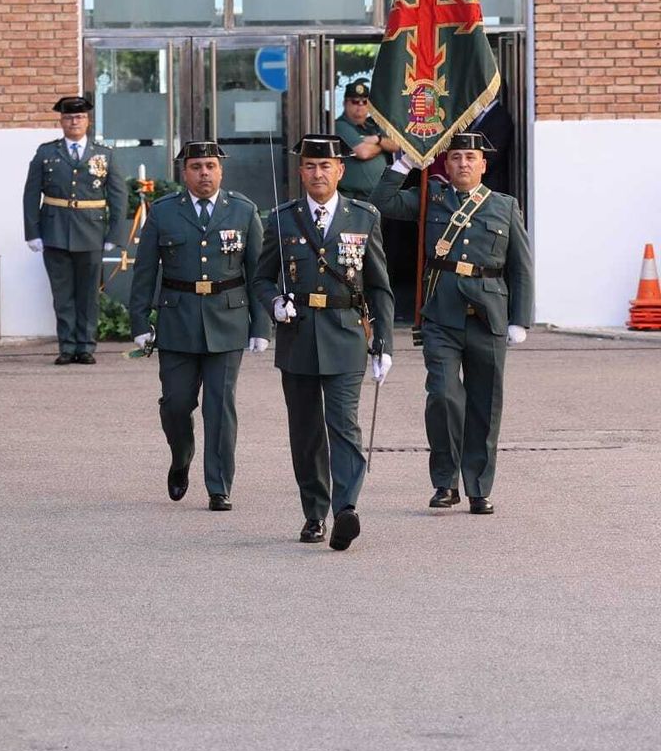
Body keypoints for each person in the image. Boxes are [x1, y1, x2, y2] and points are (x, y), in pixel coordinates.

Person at [371, 133, 533, 514]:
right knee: (443, 397)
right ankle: (445, 482)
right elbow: (382, 203)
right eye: (456, 157)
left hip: (487, 315)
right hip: (440, 313)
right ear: (446, 163)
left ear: (483, 165)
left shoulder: (504, 206)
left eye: (470, 157)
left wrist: (519, 318)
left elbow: (520, 266)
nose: (462, 164)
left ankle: (478, 486)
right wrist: (404, 164)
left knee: (484, 403)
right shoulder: (432, 197)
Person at [256, 135, 394, 550]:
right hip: (298, 337)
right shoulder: (282, 218)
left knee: (344, 426)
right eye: (311, 167)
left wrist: (383, 344)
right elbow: (262, 276)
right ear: (301, 173)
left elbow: (379, 287)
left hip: (346, 334)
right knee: (306, 432)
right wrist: (273, 304)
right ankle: (314, 513)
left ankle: (345, 508)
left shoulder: (363, 217)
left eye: (326, 166)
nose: (318, 173)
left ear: (340, 171)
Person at [127, 141, 269, 511]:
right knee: (176, 404)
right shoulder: (163, 212)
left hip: (228, 320)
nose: (204, 173)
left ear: (221, 171)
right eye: (196, 167)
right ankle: (181, 454)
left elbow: (258, 273)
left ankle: (218, 486)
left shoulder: (242, 210)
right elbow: (144, 271)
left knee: (220, 407)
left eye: (210, 166)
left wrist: (261, 326)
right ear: (184, 172)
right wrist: (140, 320)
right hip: (178, 320)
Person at [22, 96, 128, 365]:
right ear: (61, 121)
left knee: (89, 295)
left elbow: (118, 196)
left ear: (87, 121)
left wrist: (114, 235)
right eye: (69, 117)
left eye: (79, 117)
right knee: (63, 295)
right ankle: (67, 347)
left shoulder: (104, 154)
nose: (74, 122)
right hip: (55, 230)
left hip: (91, 233)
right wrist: (32, 232)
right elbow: (31, 194)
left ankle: (86, 347)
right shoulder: (46, 153)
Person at [335, 80, 392, 201]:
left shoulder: (373, 125)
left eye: (364, 102)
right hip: (354, 199)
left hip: (377, 197)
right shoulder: (340, 125)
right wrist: (382, 145)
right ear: (345, 103)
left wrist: (377, 139)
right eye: (355, 102)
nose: (360, 105)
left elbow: (396, 145)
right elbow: (363, 152)